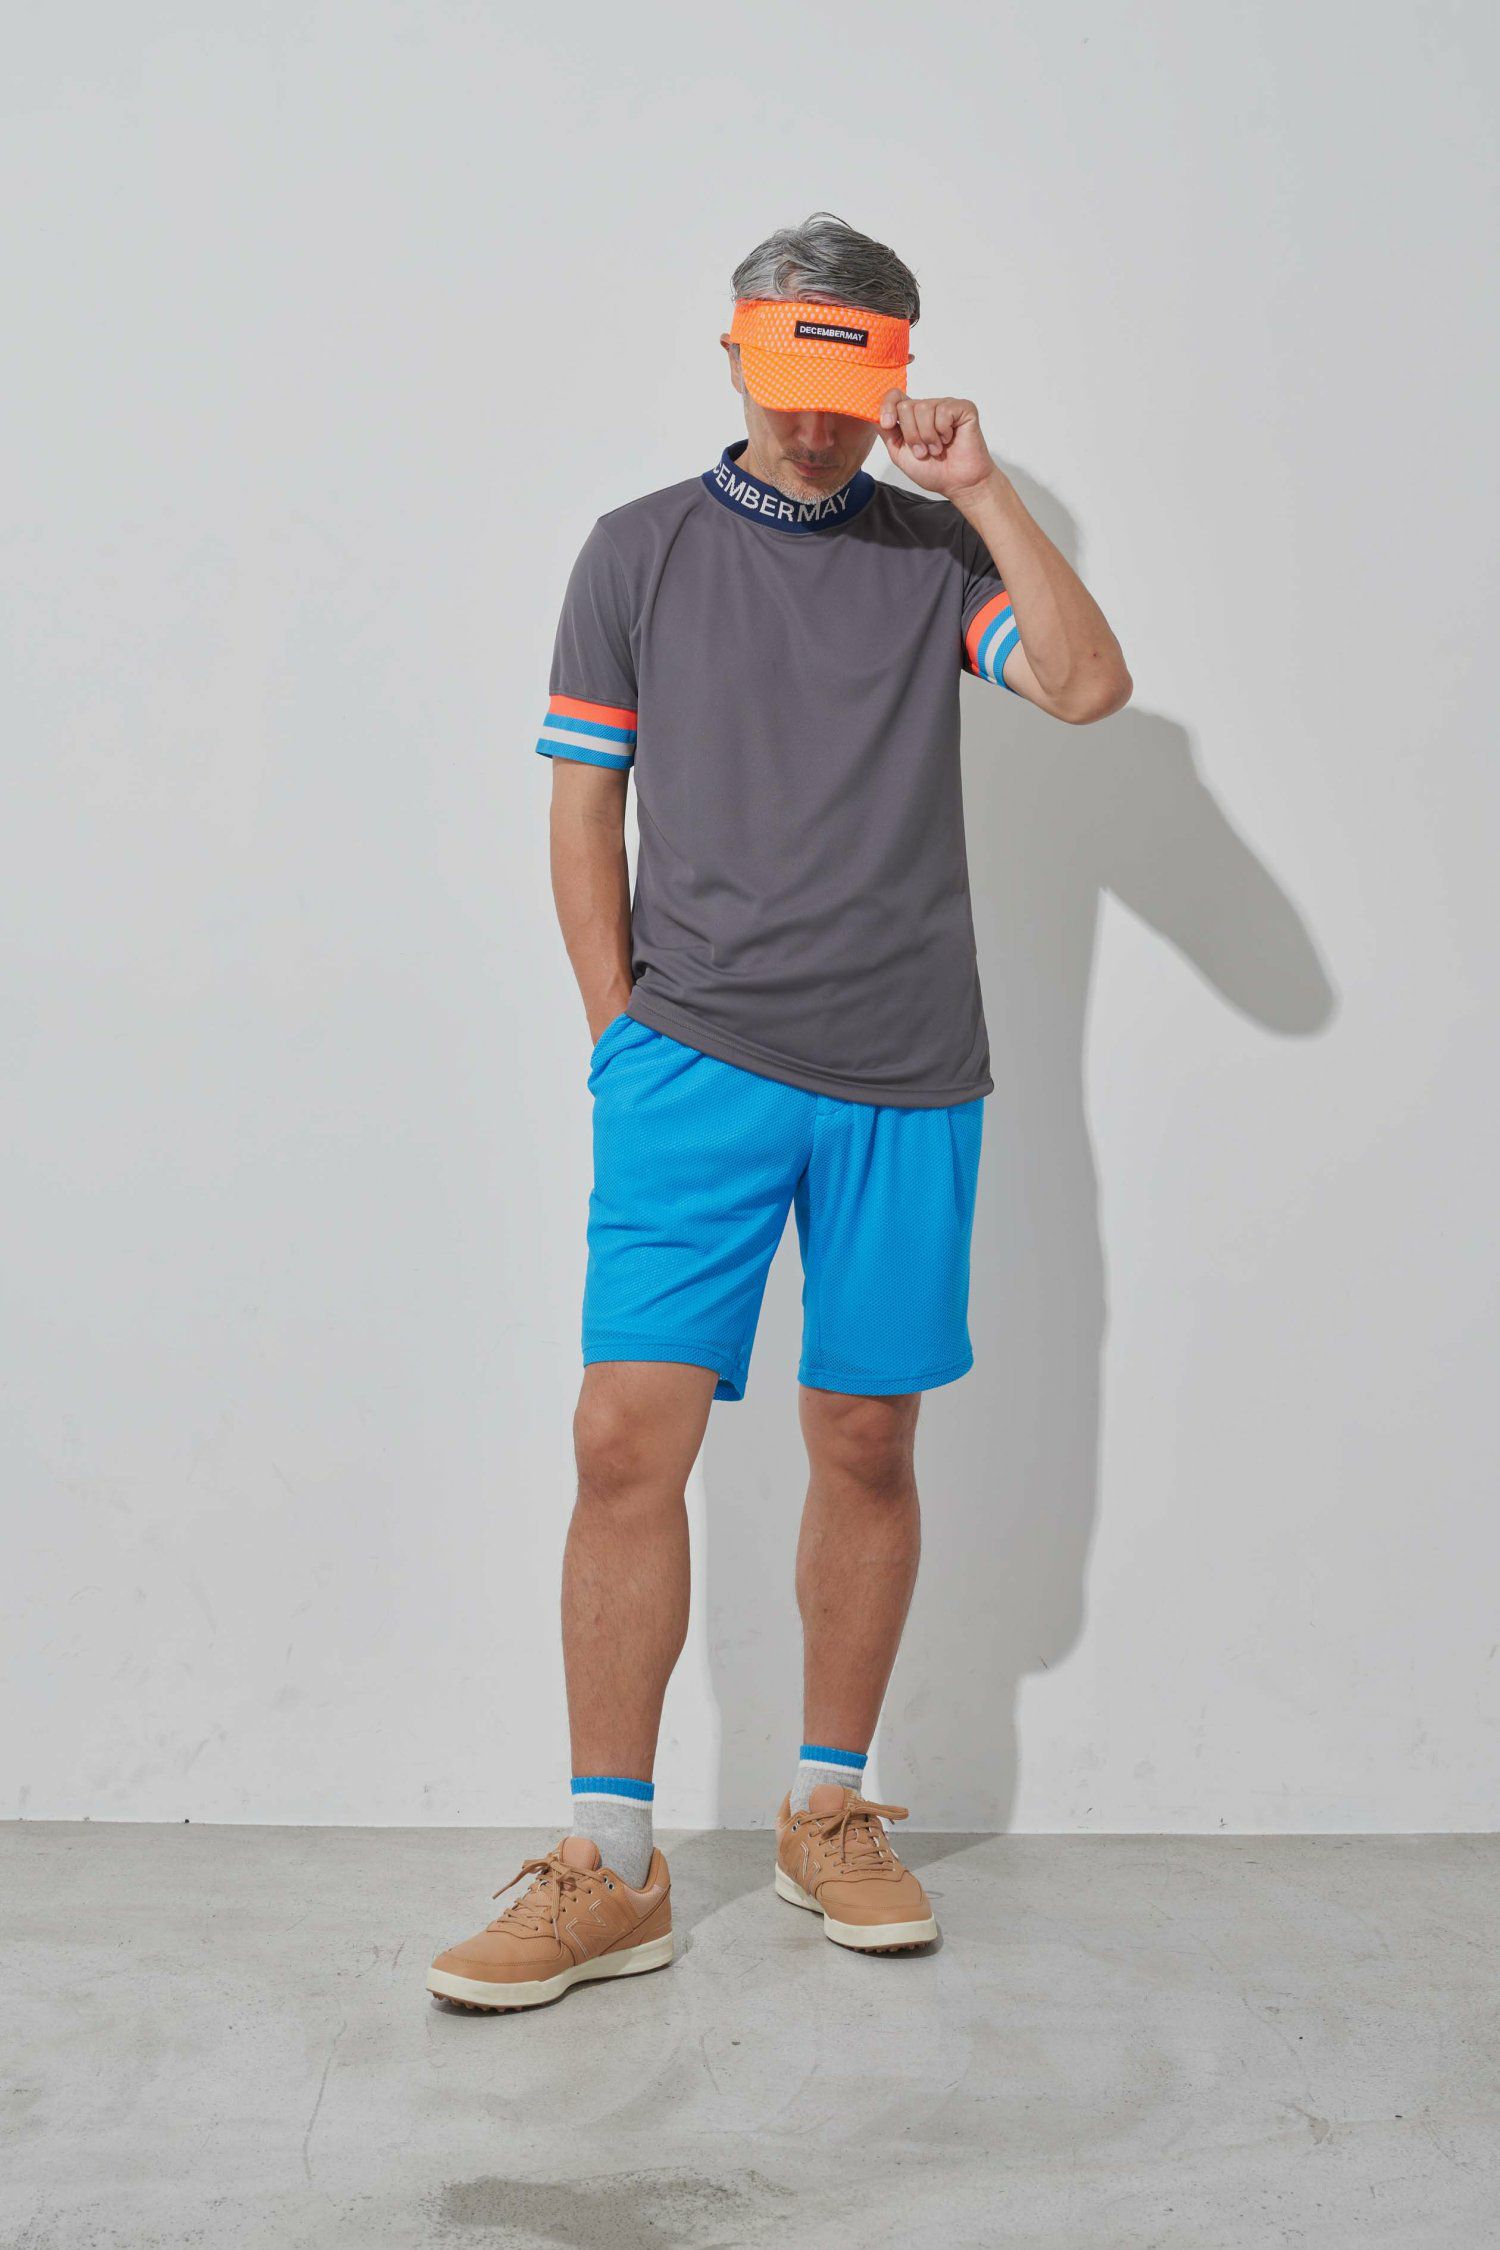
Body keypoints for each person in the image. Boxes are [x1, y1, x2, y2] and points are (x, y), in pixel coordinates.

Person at [427, 213, 1130, 2012]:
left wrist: (982, 492)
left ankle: (827, 1808)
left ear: (896, 377)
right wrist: (620, 1037)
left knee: (869, 1438)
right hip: (694, 1062)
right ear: (738, 355)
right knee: (622, 1438)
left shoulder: (930, 552)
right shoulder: (637, 550)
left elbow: (1084, 685)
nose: (816, 425)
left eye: (852, 387)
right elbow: (585, 806)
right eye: (791, 380)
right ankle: (610, 1862)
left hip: (907, 1068)